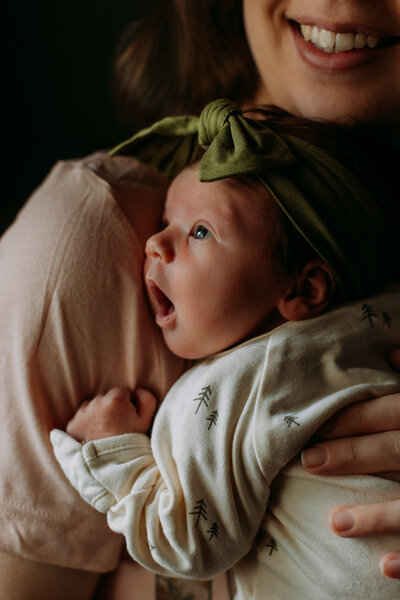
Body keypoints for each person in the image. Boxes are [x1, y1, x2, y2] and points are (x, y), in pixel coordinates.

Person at [1, 1, 399, 598]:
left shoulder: (231, 386)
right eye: (168, 222)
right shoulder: (84, 245)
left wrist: (108, 457)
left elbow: (188, 536)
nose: (154, 248)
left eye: (200, 233)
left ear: (307, 290)